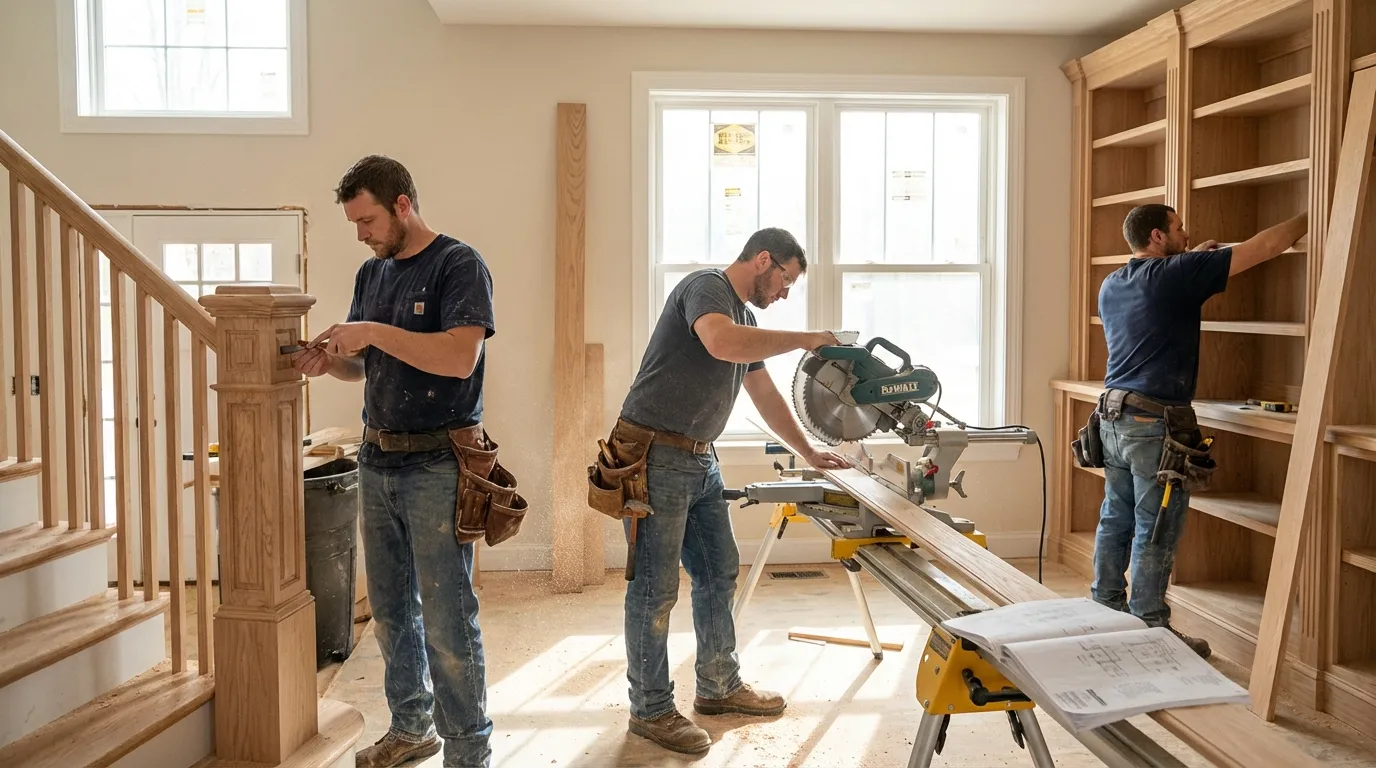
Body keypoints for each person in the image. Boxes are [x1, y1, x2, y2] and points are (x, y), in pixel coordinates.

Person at [609, 226, 851, 755]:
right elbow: (720, 343)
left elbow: (761, 391)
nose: (785, 292)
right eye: (785, 279)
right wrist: (806, 339)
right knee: (654, 587)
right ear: (763, 260)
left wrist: (808, 451)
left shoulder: (746, 318)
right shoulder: (707, 289)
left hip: (699, 457)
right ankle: (649, 710)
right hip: (656, 453)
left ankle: (719, 687)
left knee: (719, 571)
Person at [290, 155, 498, 768]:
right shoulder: (371, 274)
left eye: (368, 219)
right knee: (388, 612)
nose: (361, 233)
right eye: (355, 223)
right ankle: (412, 728)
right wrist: (336, 361)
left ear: (403, 204)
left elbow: (460, 358)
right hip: (378, 457)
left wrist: (373, 332)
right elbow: (369, 364)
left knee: (447, 616)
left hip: (439, 462)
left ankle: (467, 751)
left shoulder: (459, 265)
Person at [1092, 204, 1307, 658]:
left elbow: (1172, 280)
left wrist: (1193, 261)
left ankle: (1105, 611)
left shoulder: (1112, 283)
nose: (1188, 235)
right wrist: (1315, 212)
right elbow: (1267, 246)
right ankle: (1150, 628)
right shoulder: (1177, 274)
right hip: (1153, 425)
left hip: (1112, 419)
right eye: (1179, 229)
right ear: (1157, 236)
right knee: (1156, 526)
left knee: (1116, 517)